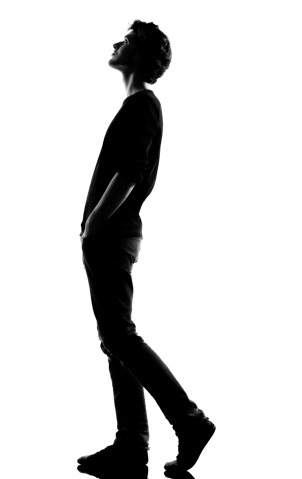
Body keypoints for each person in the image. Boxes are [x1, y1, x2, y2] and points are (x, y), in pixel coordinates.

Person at [77, 20, 215, 479]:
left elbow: (132, 170)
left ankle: (189, 421)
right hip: (111, 235)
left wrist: (96, 220)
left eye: (125, 39)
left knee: (119, 337)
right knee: (114, 338)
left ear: (139, 54)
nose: (116, 43)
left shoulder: (142, 106)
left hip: (111, 234)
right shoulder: (137, 105)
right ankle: (132, 445)